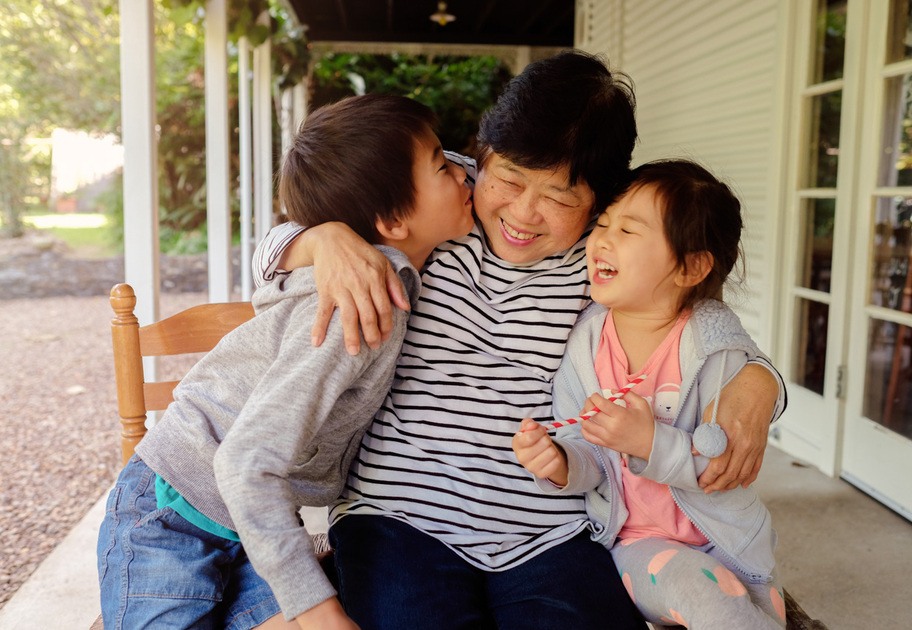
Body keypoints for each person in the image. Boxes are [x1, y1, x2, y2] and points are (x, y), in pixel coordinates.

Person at [253, 51, 782, 629]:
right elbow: (270, 254)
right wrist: (323, 240)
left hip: (549, 526)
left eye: (559, 198)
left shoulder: (604, 255)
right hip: (397, 513)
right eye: (507, 179)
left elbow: (695, 313)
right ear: (480, 155)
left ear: (601, 204)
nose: (523, 214)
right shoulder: (434, 201)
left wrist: (756, 380)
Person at [96, 94, 475, 630]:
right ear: (391, 220)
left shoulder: (388, 262)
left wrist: (323, 236)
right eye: (443, 163)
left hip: (257, 531)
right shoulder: (361, 305)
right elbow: (242, 464)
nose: (465, 172)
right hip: (175, 514)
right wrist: (317, 610)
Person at [513, 159, 786, 628]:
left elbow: (724, 465)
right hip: (638, 542)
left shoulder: (712, 348)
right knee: (713, 604)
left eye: (629, 230)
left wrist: (650, 445)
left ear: (690, 266)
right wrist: (559, 463)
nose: (602, 239)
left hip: (728, 535)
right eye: (604, 223)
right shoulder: (585, 345)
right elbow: (590, 455)